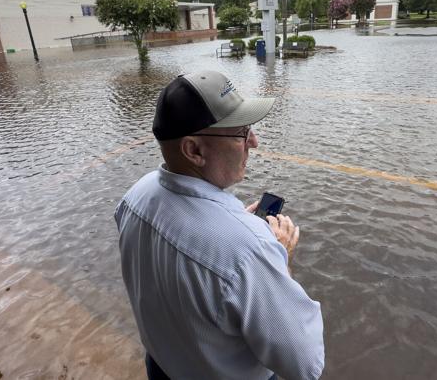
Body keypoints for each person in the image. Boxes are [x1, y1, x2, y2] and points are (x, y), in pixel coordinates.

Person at [115, 70, 325, 380]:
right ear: (194, 150)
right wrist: (279, 259)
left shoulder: (134, 197)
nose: (253, 141)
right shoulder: (249, 250)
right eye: (241, 132)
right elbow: (305, 365)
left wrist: (232, 222)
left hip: (160, 366)